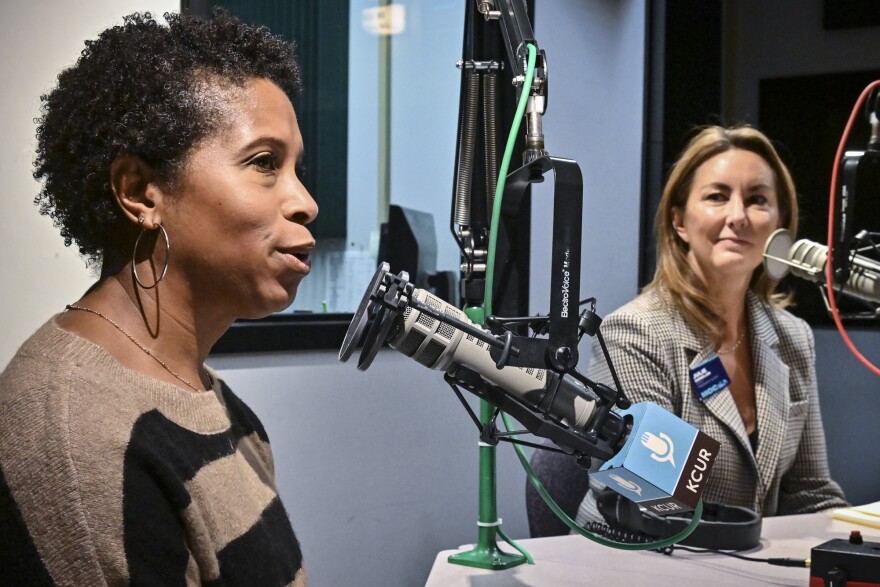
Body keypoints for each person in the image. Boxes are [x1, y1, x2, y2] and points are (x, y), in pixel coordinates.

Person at [0, 10, 316, 585]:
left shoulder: (217, 405)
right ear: (141, 192)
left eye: (297, 167)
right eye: (265, 163)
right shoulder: (75, 434)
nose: (306, 202)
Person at [576, 125, 847, 527]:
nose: (737, 217)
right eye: (717, 197)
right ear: (680, 222)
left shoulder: (794, 337)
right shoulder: (633, 333)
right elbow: (652, 503)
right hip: (639, 562)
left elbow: (810, 493)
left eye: (757, 200)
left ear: (780, 226)